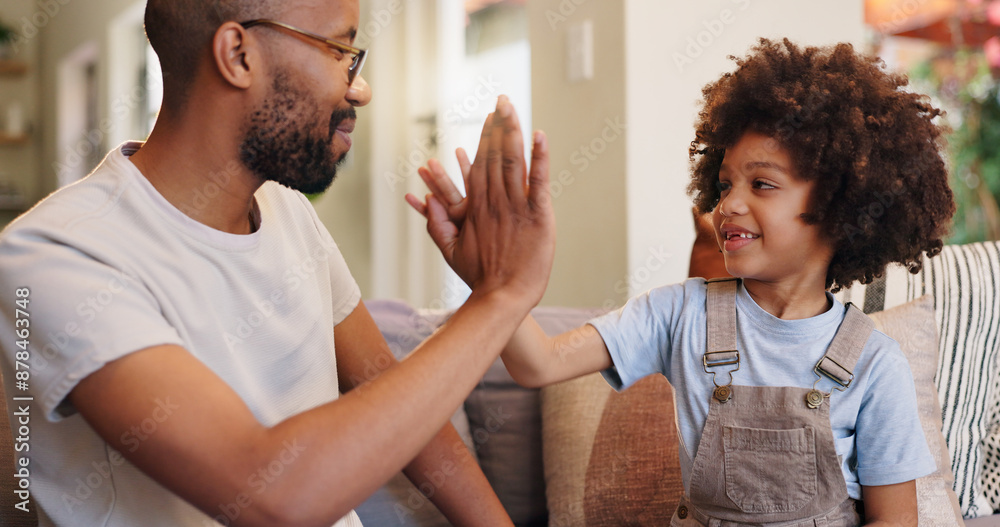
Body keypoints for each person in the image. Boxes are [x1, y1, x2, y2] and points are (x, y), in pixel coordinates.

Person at [0, 0, 555, 525]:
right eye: (341, 51)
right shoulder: (55, 255)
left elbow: (394, 395)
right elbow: (268, 497)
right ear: (239, 56)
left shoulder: (286, 210)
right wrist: (499, 297)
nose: (360, 89)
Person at [409, 38, 955, 525]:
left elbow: (894, 519)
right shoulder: (680, 314)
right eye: (723, 185)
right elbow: (538, 363)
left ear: (842, 209)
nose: (727, 206)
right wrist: (493, 281)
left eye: (762, 184)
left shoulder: (876, 364)